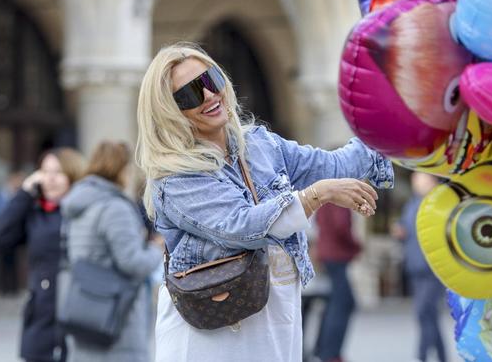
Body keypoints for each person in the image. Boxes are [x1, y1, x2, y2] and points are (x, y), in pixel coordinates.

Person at [135, 42, 394, 362]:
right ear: (169, 112)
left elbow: (333, 165)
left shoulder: (260, 144)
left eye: (210, 80)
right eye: (188, 94)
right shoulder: (175, 177)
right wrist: (318, 194)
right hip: (211, 335)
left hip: (276, 315)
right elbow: (242, 225)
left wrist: (395, 129)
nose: (209, 96)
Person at [61, 141, 162, 362]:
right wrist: (156, 249)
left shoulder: (80, 203)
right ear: (121, 169)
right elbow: (133, 263)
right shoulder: (115, 208)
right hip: (116, 315)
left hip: (84, 307)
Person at [0, 148, 85, 362]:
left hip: (78, 312)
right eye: (45, 172)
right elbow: (0, 237)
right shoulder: (36, 212)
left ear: (73, 176)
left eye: (58, 172)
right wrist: (24, 193)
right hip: (41, 314)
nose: (50, 179)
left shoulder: (85, 212)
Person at [391, 172, 447, 362]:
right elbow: (406, 227)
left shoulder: (440, 204)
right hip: (415, 266)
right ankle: (442, 356)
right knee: (429, 315)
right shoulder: (412, 203)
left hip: (433, 268)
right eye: (415, 179)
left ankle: (421, 356)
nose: (417, 182)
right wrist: (399, 230)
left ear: (434, 181)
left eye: (421, 178)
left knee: (423, 312)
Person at [312, 203, 361, 362]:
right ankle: (331, 354)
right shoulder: (339, 196)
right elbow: (341, 226)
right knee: (342, 304)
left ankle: (323, 350)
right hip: (335, 255)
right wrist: (355, 246)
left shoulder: (327, 196)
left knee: (336, 303)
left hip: (328, 254)